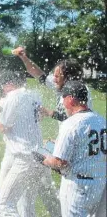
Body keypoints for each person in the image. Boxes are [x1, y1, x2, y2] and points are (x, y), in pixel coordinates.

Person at [0, 71, 46, 217]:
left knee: (3, 206)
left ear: (9, 84)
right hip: (39, 158)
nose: (3, 90)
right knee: (27, 207)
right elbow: (37, 116)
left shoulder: (14, 96)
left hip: (24, 159)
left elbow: (3, 126)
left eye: (3, 86)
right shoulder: (32, 95)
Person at [42, 80, 106, 217]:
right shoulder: (101, 120)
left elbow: (60, 162)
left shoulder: (70, 123)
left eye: (63, 98)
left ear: (70, 99)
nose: (62, 103)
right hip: (99, 184)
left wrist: (45, 159)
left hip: (77, 186)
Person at [12, 46, 92, 122]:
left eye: (57, 76)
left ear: (67, 77)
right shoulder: (60, 85)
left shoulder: (80, 91)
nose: (54, 80)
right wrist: (24, 57)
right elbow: (37, 73)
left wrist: (49, 112)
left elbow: (75, 119)